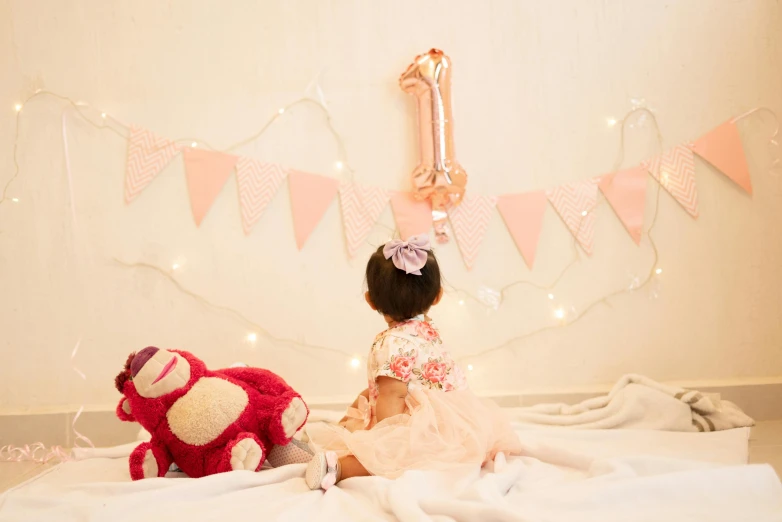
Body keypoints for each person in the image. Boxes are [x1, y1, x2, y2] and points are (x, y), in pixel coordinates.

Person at [304, 234, 521, 489]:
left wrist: (385, 438)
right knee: (361, 404)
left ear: (370, 301)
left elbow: (393, 397)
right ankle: (331, 446)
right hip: (453, 419)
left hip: (417, 424)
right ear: (437, 296)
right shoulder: (428, 330)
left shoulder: (391, 342)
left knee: (392, 455)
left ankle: (337, 467)